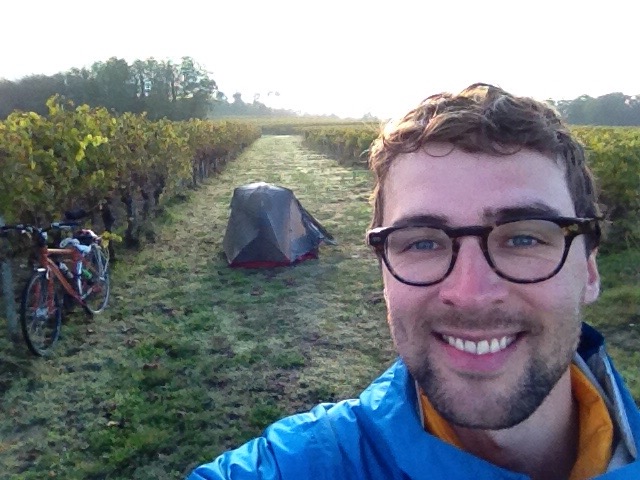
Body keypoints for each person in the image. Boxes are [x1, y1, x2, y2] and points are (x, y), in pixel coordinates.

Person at [188, 84, 640, 479]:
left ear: (591, 270)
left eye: (523, 237)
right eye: (423, 243)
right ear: (384, 271)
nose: (470, 294)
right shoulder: (309, 464)